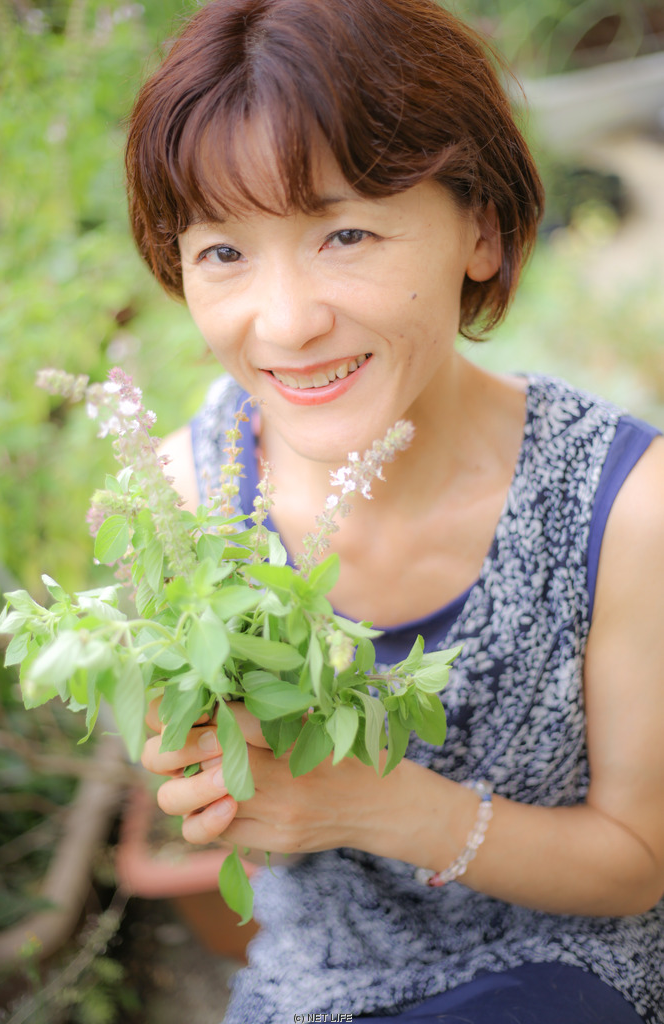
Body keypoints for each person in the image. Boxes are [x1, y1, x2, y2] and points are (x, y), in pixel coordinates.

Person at [128, 1, 664, 1020]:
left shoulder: (624, 506)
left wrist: (375, 804)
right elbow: (216, 796)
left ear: (481, 229)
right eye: (224, 253)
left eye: (345, 234)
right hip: (314, 985)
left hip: (571, 970)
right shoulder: (183, 503)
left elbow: (635, 864)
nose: (286, 322)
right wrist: (209, 776)